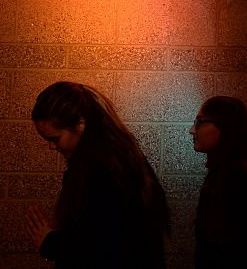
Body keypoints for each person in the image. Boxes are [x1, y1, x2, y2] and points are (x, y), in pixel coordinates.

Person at [24, 81, 170, 268]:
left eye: (55, 138)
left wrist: (51, 242)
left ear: (80, 124)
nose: (51, 147)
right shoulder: (113, 158)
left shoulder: (104, 169)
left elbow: (104, 245)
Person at [189, 96, 247, 268]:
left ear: (225, 127)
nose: (192, 130)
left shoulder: (237, 179)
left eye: (200, 122)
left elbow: (237, 250)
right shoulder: (228, 174)